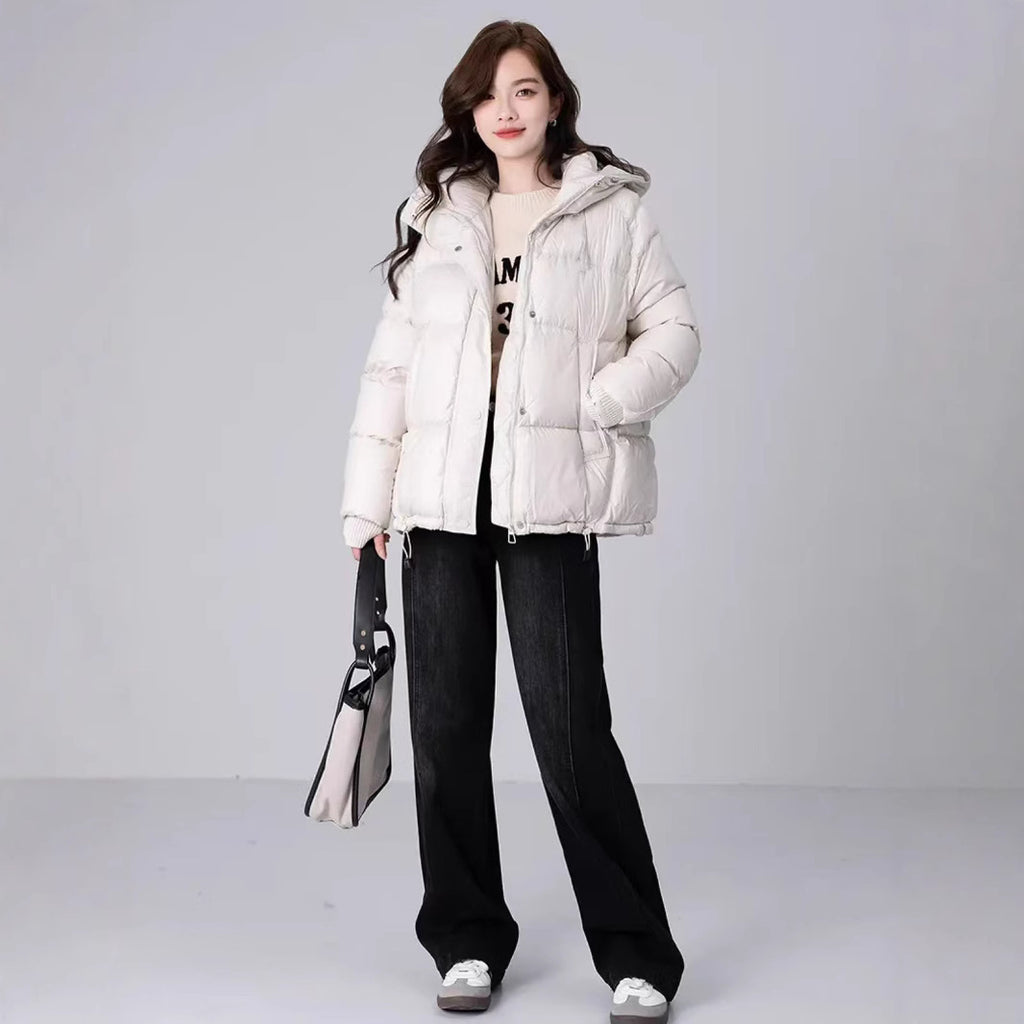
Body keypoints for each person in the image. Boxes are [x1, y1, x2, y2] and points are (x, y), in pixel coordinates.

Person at [339, 19, 701, 1023]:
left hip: (548, 502)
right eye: (488, 94)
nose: (505, 110)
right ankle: (465, 941)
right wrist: (366, 503)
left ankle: (635, 955)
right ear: (468, 109)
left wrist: (600, 400)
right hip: (440, 505)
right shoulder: (438, 216)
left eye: (525, 90)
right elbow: (393, 368)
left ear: (555, 102)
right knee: (446, 731)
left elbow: (674, 330)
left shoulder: (608, 211)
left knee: (572, 733)